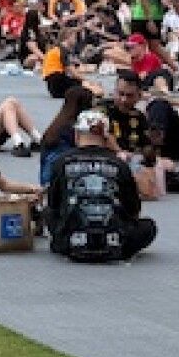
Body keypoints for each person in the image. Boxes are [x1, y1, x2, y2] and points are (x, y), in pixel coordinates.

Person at [45, 109, 157, 262]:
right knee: (149, 226)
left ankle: (63, 241)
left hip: (71, 242)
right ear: (106, 137)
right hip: (115, 242)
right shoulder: (120, 165)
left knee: (47, 212)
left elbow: (53, 204)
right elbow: (133, 209)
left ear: (77, 135)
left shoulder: (61, 162)